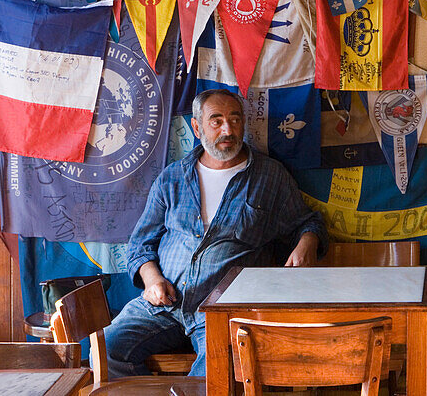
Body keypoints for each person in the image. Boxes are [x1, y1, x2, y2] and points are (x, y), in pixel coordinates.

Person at [104, 88, 328, 378]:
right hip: (165, 305)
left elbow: (309, 222)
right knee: (106, 346)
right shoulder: (173, 177)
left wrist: (307, 242)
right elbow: (140, 245)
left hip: (225, 311)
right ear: (197, 128)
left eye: (235, 120)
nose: (228, 129)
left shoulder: (270, 176)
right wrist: (152, 279)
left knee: (213, 373)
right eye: (216, 120)